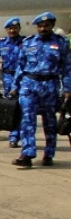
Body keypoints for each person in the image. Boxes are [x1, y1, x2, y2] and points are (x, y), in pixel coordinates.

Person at [12, 11, 71, 167]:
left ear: (52, 26)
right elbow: (21, 66)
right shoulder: (28, 42)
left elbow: (67, 67)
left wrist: (68, 89)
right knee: (27, 119)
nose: (43, 28)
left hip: (50, 86)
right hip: (29, 84)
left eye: (46, 26)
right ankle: (27, 154)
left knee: (50, 122)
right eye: (40, 26)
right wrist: (14, 86)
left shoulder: (61, 43)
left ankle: (49, 153)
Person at [0, 17, 25, 147]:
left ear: (19, 29)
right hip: (8, 78)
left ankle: (17, 135)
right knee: (11, 107)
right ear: (6, 30)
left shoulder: (26, 43)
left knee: (22, 107)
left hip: (23, 78)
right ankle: (13, 134)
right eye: (10, 28)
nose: (12, 30)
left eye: (15, 28)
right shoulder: (1, 44)